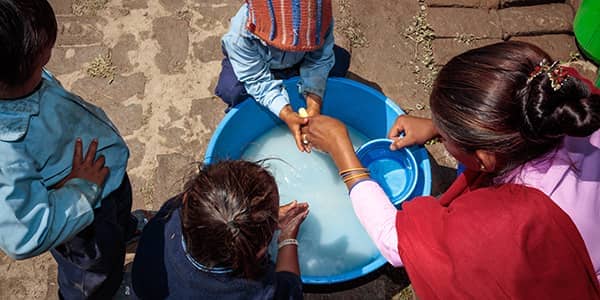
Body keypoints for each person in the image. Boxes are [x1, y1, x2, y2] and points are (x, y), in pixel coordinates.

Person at [301, 41, 600, 298]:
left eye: (448, 137)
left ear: (485, 159)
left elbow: (395, 241)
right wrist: (436, 128)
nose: (441, 135)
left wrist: (343, 153)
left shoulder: (508, 225)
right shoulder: (563, 99)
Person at [0, 1, 146, 298]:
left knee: (116, 220)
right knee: (92, 271)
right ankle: (107, 289)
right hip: (82, 223)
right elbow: (24, 235)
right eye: (39, 67)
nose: (46, 69)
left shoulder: (17, 80)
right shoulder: (7, 152)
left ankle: (125, 230)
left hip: (104, 182)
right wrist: (81, 190)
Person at [131, 160, 309, 299]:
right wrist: (287, 238)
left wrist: (260, 219)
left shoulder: (169, 217)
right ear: (260, 252)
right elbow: (291, 289)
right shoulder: (259, 291)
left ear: (188, 197)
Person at [215, 0, 350, 152]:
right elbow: (257, 79)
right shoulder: (241, 35)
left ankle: (294, 83)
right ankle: (253, 113)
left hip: (299, 62)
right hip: (256, 66)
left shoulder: (320, 18)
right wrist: (286, 113)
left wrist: (314, 105)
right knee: (232, 90)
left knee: (340, 60)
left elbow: (319, 60)